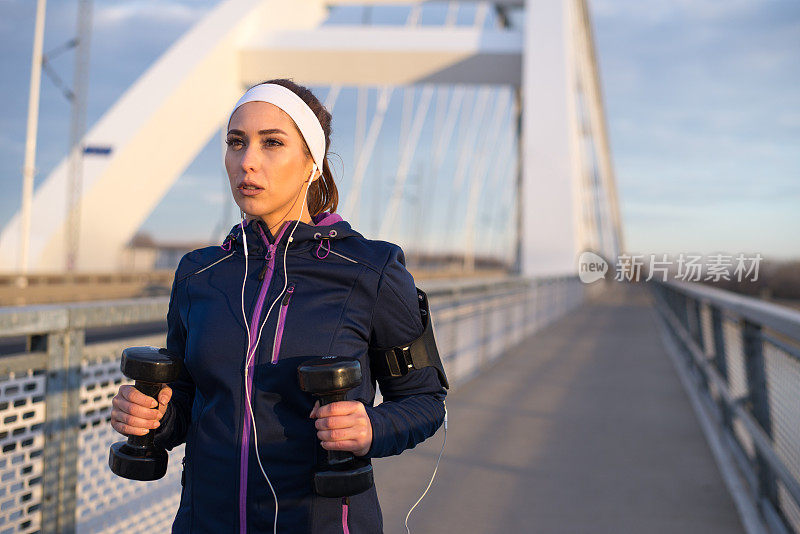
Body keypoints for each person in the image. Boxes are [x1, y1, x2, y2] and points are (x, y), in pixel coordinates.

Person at [110, 78, 448, 533]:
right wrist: (154, 416)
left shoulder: (372, 269)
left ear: (312, 161)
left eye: (272, 143)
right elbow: (188, 404)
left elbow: (425, 401)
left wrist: (371, 427)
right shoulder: (198, 274)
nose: (247, 161)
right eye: (236, 142)